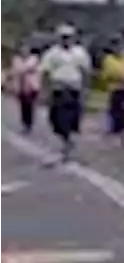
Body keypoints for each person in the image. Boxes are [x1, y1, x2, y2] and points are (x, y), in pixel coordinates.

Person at [39, 25, 92, 161]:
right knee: (55, 119)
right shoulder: (52, 53)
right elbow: (45, 72)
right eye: (63, 37)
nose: (66, 40)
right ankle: (66, 139)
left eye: (68, 37)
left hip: (73, 89)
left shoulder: (79, 53)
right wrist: (44, 91)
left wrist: (86, 89)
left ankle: (68, 143)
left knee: (70, 118)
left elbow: (85, 72)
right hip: (58, 89)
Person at [100, 35, 124, 151]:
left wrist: (118, 74)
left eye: (118, 43)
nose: (116, 47)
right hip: (114, 90)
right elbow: (107, 74)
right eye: (114, 44)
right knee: (114, 115)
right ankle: (116, 139)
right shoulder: (109, 59)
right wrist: (119, 74)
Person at [8, 42, 43, 135]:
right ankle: (25, 123)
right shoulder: (16, 60)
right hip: (20, 86)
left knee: (29, 105)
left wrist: (22, 70)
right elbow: (14, 72)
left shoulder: (34, 59)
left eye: (26, 49)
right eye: (22, 49)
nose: (24, 51)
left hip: (32, 86)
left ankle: (29, 124)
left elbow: (35, 69)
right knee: (23, 106)